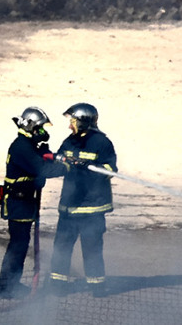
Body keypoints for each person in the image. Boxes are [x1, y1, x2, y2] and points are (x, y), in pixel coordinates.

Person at [48, 102, 117, 298]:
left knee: (92, 249)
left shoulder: (102, 143)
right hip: (69, 207)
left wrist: (90, 167)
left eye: (73, 121)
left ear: (83, 121)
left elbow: (111, 170)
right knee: (61, 246)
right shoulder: (70, 141)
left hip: (92, 209)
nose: (70, 125)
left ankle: (97, 286)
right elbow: (58, 161)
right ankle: (57, 284)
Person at [0, 106, 65, 298]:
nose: (43, 132)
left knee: (20, 244)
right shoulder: (21, 147)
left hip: (24, 203)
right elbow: (41, 170)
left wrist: (45, 152)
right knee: (18, 246)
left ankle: (7, 285)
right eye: (40, 128)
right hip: (19, 204)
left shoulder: (27, 146)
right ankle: (6, 287)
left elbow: (38, 165)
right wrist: (66, 167)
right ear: (32, 127)